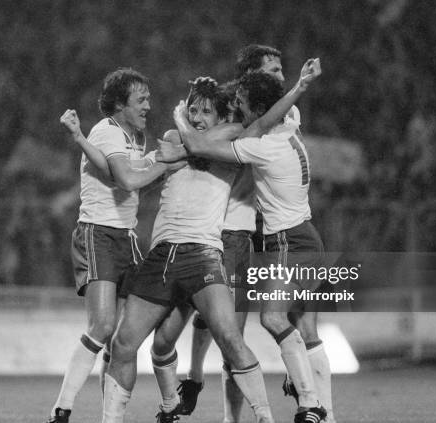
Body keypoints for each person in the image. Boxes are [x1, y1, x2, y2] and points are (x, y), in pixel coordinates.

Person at [102, 77, 277, 423]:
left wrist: (185, 137)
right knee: (123, 345)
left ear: (221, 118)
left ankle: (265, 418)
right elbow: (174, 148)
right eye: (191, 109)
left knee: (230, 339)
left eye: (205, 112)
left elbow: (202, 143)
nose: (196, 116)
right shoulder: (175, 138)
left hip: (202, 255)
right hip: (162, 256)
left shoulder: (231, 143)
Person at [170, 65, 328, 423]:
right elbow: (267, 114)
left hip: (289, 240)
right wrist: (300, 86)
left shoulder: (262, 147)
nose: (236, 105)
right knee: (268, 321)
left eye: (241, 101)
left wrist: (180, 116)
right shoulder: (288, 122)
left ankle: (310, 402)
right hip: (293, 237)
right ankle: (310, 404)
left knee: (272, 318)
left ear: (257, 109)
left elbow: (197, 145)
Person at [45, 68, 186, 423]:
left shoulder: (135, 136)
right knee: (104, 326)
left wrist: (166, 159)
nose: (148, 106)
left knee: (126, 337)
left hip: (127, 237)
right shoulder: (106, 131)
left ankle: (118, 417)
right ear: (120, 104)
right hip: (99, 234)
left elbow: (131, 171)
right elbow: (126, 180)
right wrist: (163, 166)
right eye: (141, 100)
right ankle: (61, 409)